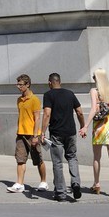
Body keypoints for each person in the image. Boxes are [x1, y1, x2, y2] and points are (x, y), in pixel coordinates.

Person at [38, 72, 85, 202]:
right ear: (60, 81)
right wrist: (82, 126)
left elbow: (47, 114)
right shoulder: (70, 94)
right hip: (71, 132)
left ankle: (61, 193)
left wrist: (42, 132)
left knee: (58, 163)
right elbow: (80, 112)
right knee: (72, 157)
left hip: (56, 134)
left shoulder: (48, 95)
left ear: (49, 83)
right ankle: (75, 183)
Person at [81, 66, 109, 198]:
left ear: (97, 78)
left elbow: (94, 109)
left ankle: (97, 184)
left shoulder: (94, 91)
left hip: (99, 128)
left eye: (94, 76)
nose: (93, 78)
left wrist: (85, 126)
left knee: (97, 157)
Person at [6, 74, 47, 194]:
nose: (18, 87)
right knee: (20, 159)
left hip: (32, 134)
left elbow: (37, 119)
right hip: (21, 133)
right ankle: (19, 184)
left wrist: (35, 136)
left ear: (27, 84)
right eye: (17, 84)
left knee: (38, 159)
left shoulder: (34, 100)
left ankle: (43, 181)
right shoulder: (19, 100)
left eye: (21, 84)